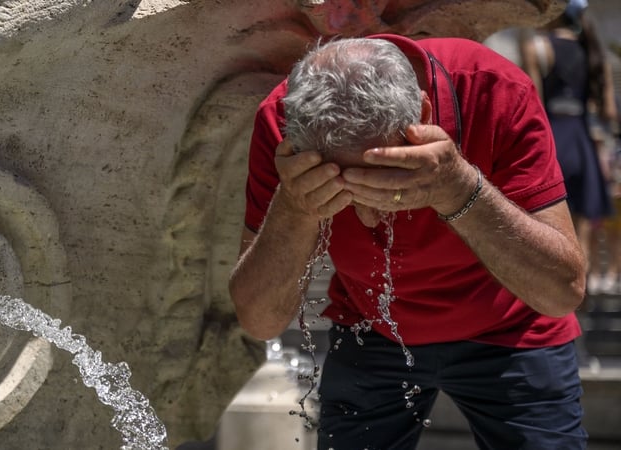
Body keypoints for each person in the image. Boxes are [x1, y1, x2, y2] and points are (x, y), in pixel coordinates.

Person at [229, 35, 587, 449]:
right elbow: (260, 321)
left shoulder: (495, 90)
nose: (367, 216)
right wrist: (295, 207)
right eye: (342, 190)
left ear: (423, 115)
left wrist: (458, 188)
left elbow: (564, 291)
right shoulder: (283, 124)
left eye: (384, 178)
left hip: (512, 325)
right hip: (372, 326)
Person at [520, 0, 618, 295]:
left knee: (548, 233)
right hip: (582, 142)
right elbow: (609, 112)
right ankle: (581, 324)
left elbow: (531, 104)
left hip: (551, 143)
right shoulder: (591, 50)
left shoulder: (537, 47)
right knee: (582, 242)